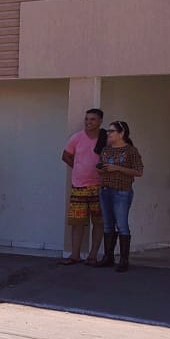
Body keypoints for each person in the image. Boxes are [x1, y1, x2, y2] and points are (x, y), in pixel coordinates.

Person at [96, 120, 144, 272]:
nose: (108, 134)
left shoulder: (131, 151)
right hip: (105, 189)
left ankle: (124, 260)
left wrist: (117, 168)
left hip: (121, 191)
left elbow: (138, 171)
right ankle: (108, 257)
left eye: (112, 131)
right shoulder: (105, 150)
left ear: (121, 133)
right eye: (108, 131)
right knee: (108, 223)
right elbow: (100, 167)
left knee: (121, 224)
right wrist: (102, 169)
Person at [61, 108, 106, 265]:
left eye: (92, 119)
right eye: (87, 119)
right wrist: (78, 167)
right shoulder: (77, 138)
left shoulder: (105, 138)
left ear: (100, 121)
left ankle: (93, 255)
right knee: (77, 222)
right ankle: (75, 255)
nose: (88, 122)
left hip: (99, 186)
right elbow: (65, 155)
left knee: (99, 222)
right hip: (79, 186)